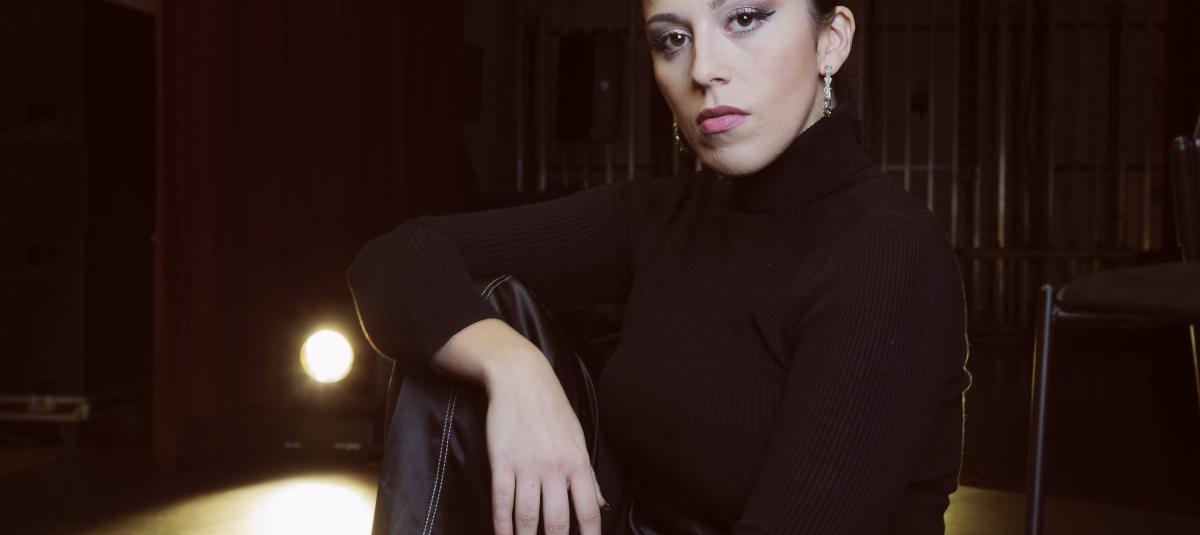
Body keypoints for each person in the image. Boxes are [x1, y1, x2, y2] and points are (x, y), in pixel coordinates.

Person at [347, 0, 972, 533]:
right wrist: (513, 369)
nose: (702, 69)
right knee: (455, 339)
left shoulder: (887, 254)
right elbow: (394, 260)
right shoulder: (658, 217)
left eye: (744, 18)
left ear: (830, 40)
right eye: (672, 39)